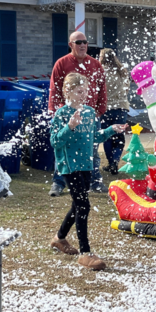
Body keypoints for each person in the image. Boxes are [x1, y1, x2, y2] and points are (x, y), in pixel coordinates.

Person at [49, 73, 126, 270]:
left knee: (78, 203)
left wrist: (111, 129)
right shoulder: (62, 114)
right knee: (83, 205)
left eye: (86, 91)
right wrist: (69, 127)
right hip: (69, 166)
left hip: (86, 165)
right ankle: (85, 253)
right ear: (68, 91)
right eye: (79, 91)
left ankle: (59, 238)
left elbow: (95, 137)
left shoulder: (90, 112)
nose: (84, 95)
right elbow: (55, 142)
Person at [48, 31, 107, 196]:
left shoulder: (95, 64)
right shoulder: (62, 63)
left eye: (85, 42)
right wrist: (58, 111)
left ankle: (95, 180)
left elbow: (102, 88)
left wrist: (100, 111)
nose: (82, 45)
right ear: (71, 45)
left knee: (93, 150)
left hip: (90, 115)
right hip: (68, 115)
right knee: (63, 149)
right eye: (78, 42)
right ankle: (58, 183)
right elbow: (55, 89)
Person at [99, 49, 131, 174]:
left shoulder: (101, 71)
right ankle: (115, 163)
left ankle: (110, 162)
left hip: (106, 108)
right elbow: (126, 89)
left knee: (107, 136)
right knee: (119, 138)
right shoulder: (122, 71)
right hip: (121, 107)